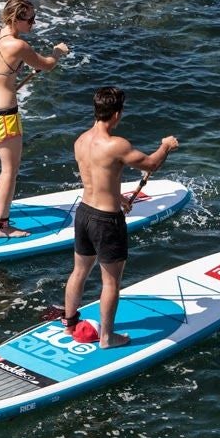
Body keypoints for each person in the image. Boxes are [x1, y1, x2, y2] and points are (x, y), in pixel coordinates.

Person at [62, 86, 179, 348]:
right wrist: (166, 146)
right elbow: (150, 164)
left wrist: (118, 198)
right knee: (111, 281)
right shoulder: (117, 144)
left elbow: (96, 179)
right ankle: (107, 337)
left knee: (79, 271)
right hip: (106, 222)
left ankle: (69, 324)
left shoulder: (80, 140)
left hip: (84, 213)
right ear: (116, 114)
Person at [0, 0, 69, 238]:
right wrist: (57, 52)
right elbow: (45, 65)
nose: (34, 23)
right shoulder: (18, 46)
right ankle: (2, 227)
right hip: (2, 115)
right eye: (30, 19)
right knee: (9, 170)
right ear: (15, 19)